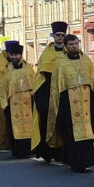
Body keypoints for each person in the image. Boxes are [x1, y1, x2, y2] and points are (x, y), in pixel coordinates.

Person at [46, 34, 94, 173]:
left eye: (76, 43)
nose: (74, 46)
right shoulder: (60, 62)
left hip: (87, 100)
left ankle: (88, 160)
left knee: (88, 131)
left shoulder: (86, 60)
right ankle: (75, 162)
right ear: (65, 46)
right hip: (68, 102)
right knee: (72, 133)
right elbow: (57, 85)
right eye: (71, 44)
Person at [32, 21, 69, 162]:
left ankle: (63, 152)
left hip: (65, 92)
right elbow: (41, 75)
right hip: (48, 92)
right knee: (47, 123)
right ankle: (47, 152)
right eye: (58, 35)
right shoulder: (46, 54)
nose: (60, 37)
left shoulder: (70, 52)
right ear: (53, 36)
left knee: (63, 123)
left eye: (62, 35)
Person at [0, 43, 35, 159]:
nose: (14, 57)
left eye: (16, 55)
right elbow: (2, 89)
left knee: (30, 126)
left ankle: (29, 149)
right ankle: (17, 150)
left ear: (20, 55)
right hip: (12, 103)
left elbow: (34, 84)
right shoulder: (6, 71)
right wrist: (4, 104)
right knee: (14, 128)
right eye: (12, 55)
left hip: (28, 101)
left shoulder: (29, 70)